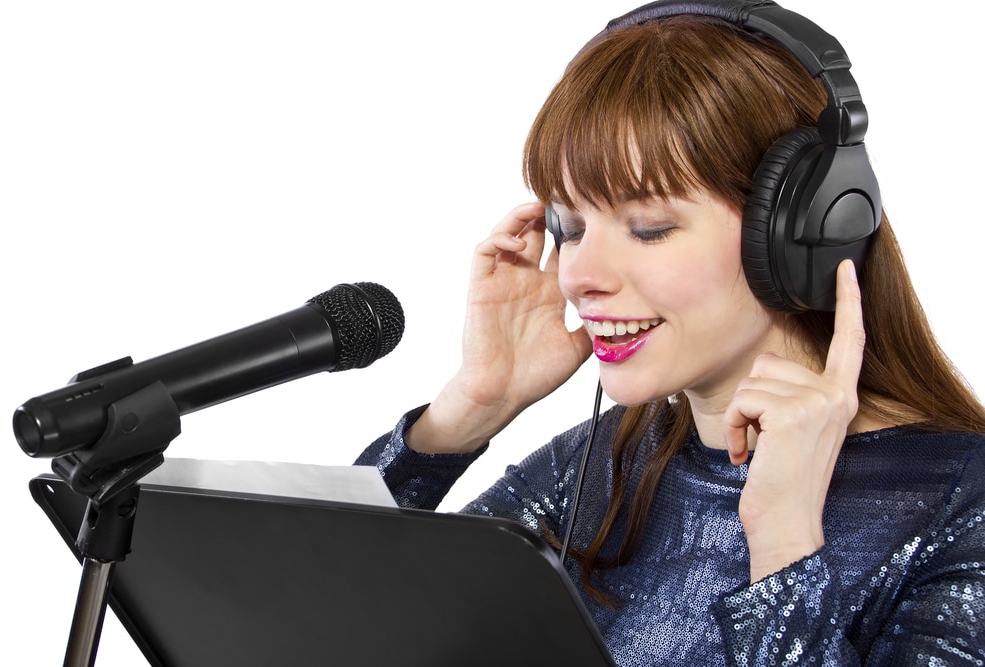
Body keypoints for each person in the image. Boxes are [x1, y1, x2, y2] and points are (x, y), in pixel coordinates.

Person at [356, 1, 985, 664]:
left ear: (802, 231)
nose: (579, 276)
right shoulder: (602, 464)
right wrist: (468, 410)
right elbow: (335, 620)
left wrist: (783, 549)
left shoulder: (958, 502)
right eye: (570, 230)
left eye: (648, 227)